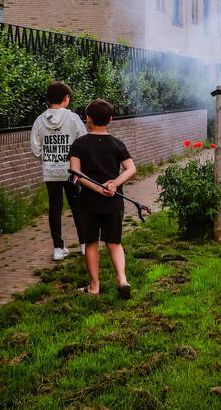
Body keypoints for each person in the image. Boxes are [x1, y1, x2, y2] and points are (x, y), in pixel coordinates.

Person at [68, 100, 137, 298]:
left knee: (91, 243)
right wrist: (114, 184)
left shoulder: (79, 144)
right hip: (113, 201)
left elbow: (74, 174)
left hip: (89, 202)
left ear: (87, 120)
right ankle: (122, 279)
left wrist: (98, 188)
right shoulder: (117, 144)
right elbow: (131, 168)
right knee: (114, 243)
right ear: (111, 120)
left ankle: (94, 286)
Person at [30, 81, 88, 261]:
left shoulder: (39, 120)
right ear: (65, 98)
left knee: (54, 208)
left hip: (50, 171)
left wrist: (47, 159)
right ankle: (85, 244)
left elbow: (35, 147)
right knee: (77, 206)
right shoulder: (73, 118)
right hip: (71, 171)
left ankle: (58, 248)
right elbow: (83, 141)